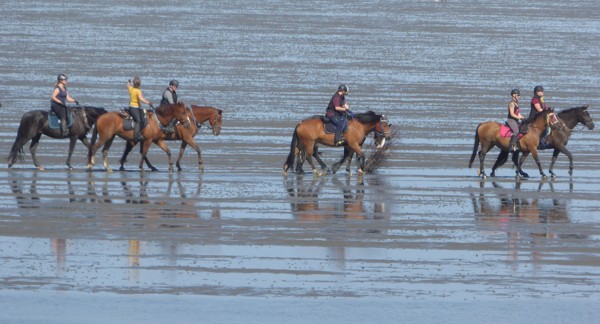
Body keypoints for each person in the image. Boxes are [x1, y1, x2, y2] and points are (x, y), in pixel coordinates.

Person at [127, 76, 153, 141]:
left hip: (131, 107)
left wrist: (129, 81)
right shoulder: (138, 91)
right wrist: (148, 102)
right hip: (134, 108)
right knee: (138, 120)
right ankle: (136, 135)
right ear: (139, 84)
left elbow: (128, 85)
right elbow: (141, 99)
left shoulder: (131, 89)